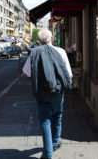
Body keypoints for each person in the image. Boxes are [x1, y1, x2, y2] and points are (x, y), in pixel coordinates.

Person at [22, 29, 73, 159]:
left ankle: (47, 154)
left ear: (39, 41)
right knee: (57, 116)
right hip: (58, 91)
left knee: (45, 120)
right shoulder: (60, 51)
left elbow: (27, 72)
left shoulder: (34, 52)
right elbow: (68, 73)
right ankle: (55, 142)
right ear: (51, 39)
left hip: (41, 91)